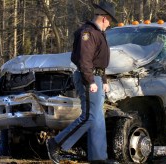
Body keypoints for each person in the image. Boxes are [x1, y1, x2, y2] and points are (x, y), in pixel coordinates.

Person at [46, 1, 118, 164]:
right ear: (104, 18)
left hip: (96, 78)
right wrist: (90, 80)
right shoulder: (88, 33)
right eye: (110, 21)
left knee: (98, 118)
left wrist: (103, 79)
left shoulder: (98, 33)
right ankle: (56, 143)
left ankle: (98, 158)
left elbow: (99, 60)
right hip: (89, 78)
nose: (109, 24)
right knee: (89, 116)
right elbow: (84, 60)